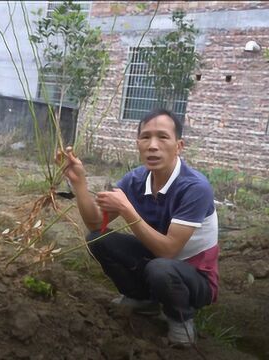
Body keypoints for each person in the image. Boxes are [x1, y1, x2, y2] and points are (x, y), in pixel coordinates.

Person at [58, 109, 219, 347]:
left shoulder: (194, 187)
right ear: (138, 144)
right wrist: (80, 182)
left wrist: (127, 210)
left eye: (163, 137)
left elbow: (169, 252)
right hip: (157, 260)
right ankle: (143, 300)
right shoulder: (136, 180)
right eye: (146, 137)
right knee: (98, 239)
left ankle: (181, 319)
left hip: (195, 278)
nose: (153, 145)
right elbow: (95, 223)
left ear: (179, 145)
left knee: (161, 268)